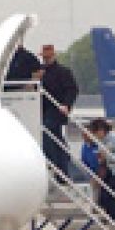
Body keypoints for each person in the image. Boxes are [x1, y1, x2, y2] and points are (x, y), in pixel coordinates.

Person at [40, 44, 78, 182]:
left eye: (48, 57)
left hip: (56, 110)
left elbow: (72, 89)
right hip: (42, 110)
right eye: (44, 57)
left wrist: (66, 105)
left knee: (51, 133)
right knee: (51, 138)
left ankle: (60, 170)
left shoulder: (63, 72)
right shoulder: (40, 72)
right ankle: (56, 167)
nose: (46, 59)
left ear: (54, 56)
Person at [89, 118, 115, 224]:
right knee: (103, 194)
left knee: (110, 192)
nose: (95, 136)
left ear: (101, 130)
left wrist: (106, 156)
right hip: (109, 170)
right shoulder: (101, 141)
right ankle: (110, 216)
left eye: (96, 132)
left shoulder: (113, 139)